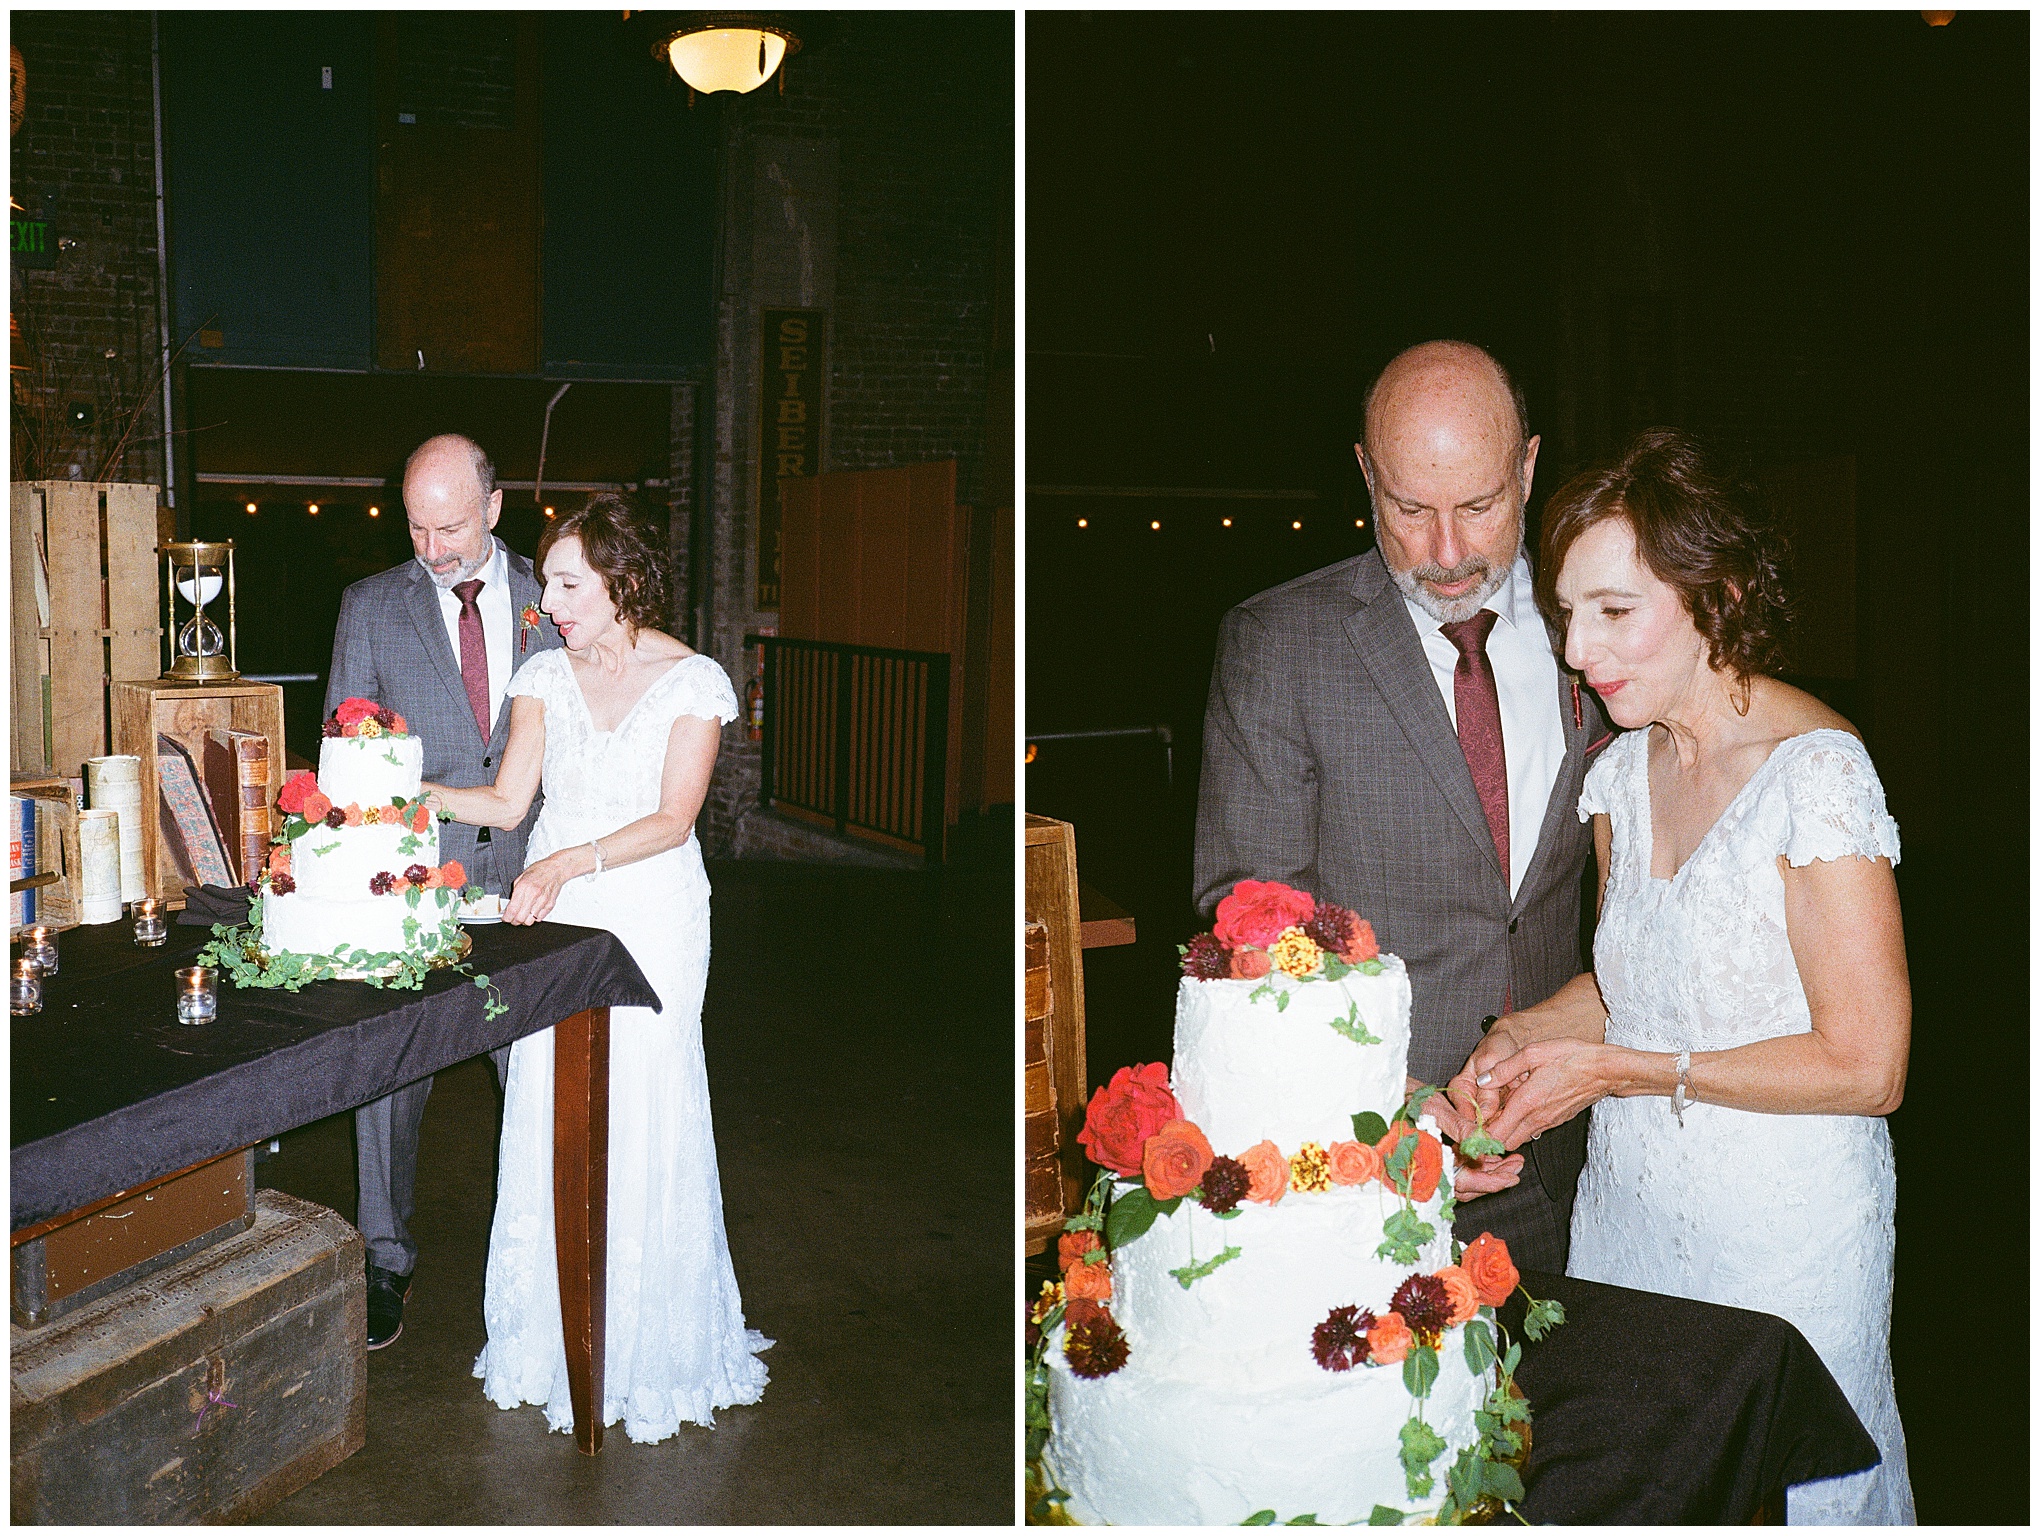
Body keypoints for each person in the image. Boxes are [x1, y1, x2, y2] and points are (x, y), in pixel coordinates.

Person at [1450, 427, 1913, 1523]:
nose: (1577, 651)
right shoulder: (1623, 772)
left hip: (1784, 1228)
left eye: (1614, 611)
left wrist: (1611, 1071)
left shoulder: (1818, 778)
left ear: (1720, 595)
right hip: (1630, 1214)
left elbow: (1869, 1065)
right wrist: (1521, 1042)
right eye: (1567, 613)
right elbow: (1635, 981)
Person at [1194, 339, 1612, 1273]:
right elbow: (1249, 924)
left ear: (1531, 466)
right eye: (1409, 510)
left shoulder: (1598, 625)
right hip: (1370, 1168)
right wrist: (1384, 1107)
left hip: (1581, 1160)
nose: (1449, 552)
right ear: (1363, 475)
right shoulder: (1279, 647)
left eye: (1481, 505)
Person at [421, 492, 770, 1444]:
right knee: (547, 1104)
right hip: (558, 911)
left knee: (647, 1104)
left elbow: (673, 820)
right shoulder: (541, 674)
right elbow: (503, 800)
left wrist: (568, 860)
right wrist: (398, 789)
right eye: (550, 586)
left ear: (624, 581)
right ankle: (553, 1339)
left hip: (648, 908)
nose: (551, 604)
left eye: (570, 586)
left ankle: (654, 1343)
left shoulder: (693, 679)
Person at [326, 432, 563, 1349]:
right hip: (415, 885)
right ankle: (382, 1255)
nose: (432, 548)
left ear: (495, 510)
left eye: (452, 526)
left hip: (536, 886)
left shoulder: (561, 596)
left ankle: (541, 1257)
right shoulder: (370, 606)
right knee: (387, 1080)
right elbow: (350, 756)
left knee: (537, 1082)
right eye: (418, 527)